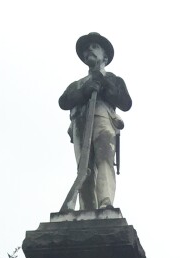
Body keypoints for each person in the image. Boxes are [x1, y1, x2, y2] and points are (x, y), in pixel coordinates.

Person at [59, 32, 132, 210]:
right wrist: (85, 91)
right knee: (84, 167)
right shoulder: (77, 84)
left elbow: (125, 103)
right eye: (86, 49)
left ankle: (106, 203)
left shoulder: (113, 79)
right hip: (80, 124)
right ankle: (87, 209)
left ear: (104, 56)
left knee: (104, 159)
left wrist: (104, 85)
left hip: (103, 119)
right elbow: (64, 101)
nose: (89, 50)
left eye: (94, 47)